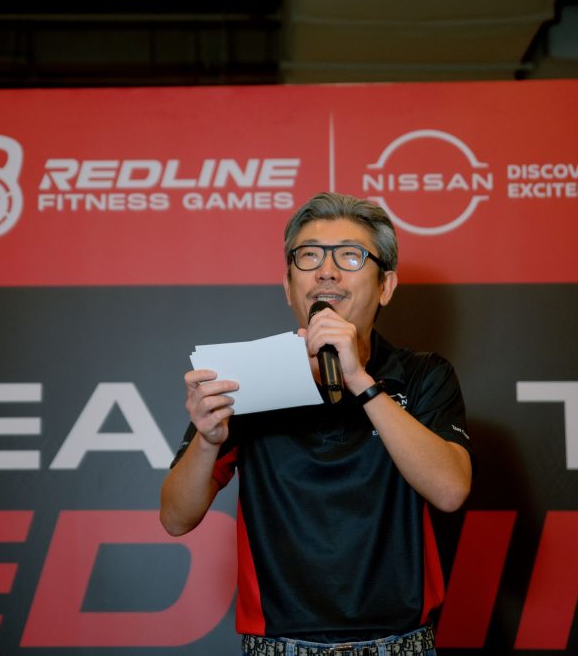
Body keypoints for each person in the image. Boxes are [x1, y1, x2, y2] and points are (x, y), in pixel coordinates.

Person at [160, 192, 472, 656]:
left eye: (350, 255)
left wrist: (360, 381)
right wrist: (207, 441)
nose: (326, 271)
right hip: (278, 646)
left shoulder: (424, 374)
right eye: (308, 256)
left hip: (401, 643)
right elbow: (174, 518)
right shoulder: (246, 377)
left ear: (385, 286)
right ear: (288, 287)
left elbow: (450, 490)